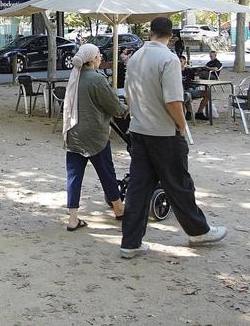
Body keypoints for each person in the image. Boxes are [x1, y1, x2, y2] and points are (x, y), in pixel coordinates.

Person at [120, 17, 226, 258]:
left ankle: (130, 242)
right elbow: (173, 100)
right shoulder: (168, 59)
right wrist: (181, 125)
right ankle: (198, 232)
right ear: (172, 35)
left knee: (138, 188)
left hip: (139, 130)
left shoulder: (135, 58)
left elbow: (128, 95)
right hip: (164, 132)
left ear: (150, 32)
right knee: (179, 184)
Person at [61, 43, 127, 231]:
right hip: (95, 136)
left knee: (74, 177)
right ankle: (118, 209)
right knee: (107, 173)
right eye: (99, 56)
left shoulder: (74, 78)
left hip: (73, 134)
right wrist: (125, 109)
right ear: (92, 59)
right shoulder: (97, 80)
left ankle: (73, 218)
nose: (100, 58)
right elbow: (114, 106)